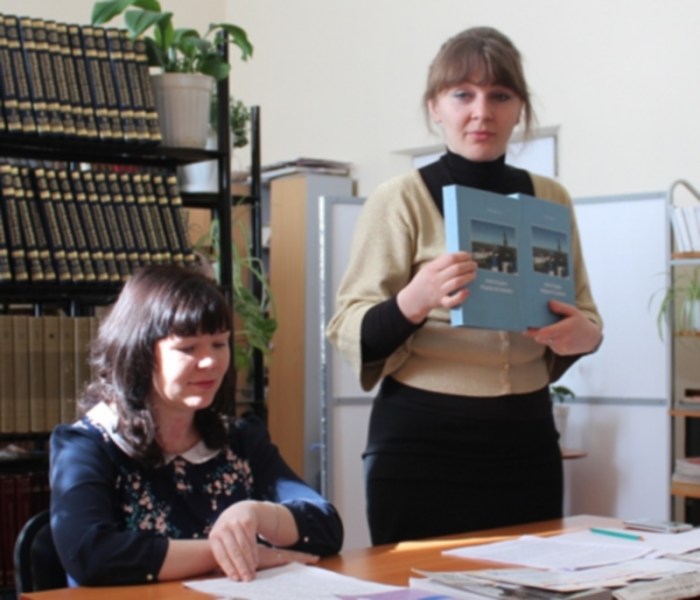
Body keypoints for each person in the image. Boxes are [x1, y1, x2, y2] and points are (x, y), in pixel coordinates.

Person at [326, 26, 602, 546]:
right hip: (421, 446)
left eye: (500, 96)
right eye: (462, 95)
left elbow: (584, 314)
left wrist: (586, 336)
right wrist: (414, 300)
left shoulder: (551, 198)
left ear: (520, 109)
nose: (482, 112)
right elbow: (348, 327)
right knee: (419, 582)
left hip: (528, 443)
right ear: (435, 106)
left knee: (533, 581)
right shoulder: (400, 198)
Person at [50, 265, 343, 586]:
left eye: (219, 344)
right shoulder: (88, 444)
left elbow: (327, 527)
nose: (211, 362)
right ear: (139, 353)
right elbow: (89, 554)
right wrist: (228, 553)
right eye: (188, 348)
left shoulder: (240, 439)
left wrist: (256, 513)